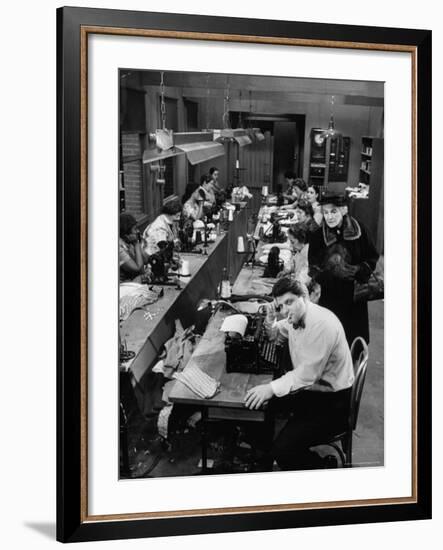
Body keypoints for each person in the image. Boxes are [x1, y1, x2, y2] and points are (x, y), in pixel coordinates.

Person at [244, 277, 354, 471]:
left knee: (284, 451)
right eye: (281, 306)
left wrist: (270, 387)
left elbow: (306, 375)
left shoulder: (321, 325)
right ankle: (264, 456)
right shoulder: (295, 316)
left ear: (304, 298)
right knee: (260, 405)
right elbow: (276, 334)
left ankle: (321, 466)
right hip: (314, 391)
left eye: (290, 302)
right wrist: (271, 320)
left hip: (333, 403)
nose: (285, 310)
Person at [308, 194, 379, 344]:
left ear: (344, 210)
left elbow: (372, 257)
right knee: (331, 339)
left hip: (356, 295)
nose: (329, 217)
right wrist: (330, 274)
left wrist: (358, 270)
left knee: (354, 339)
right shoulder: (318, 236)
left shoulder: (360, 230)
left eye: (333, 212)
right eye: (325, 213)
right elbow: (313, 267)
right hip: (331, 296)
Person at [119, 212, 149, 283]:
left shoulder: (128, 242)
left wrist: (138, 243)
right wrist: (136, 244)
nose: (138, 231)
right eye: (135, 229)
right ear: (126, 231)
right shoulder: (119, 247)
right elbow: (137, 268)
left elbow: (146, 260)